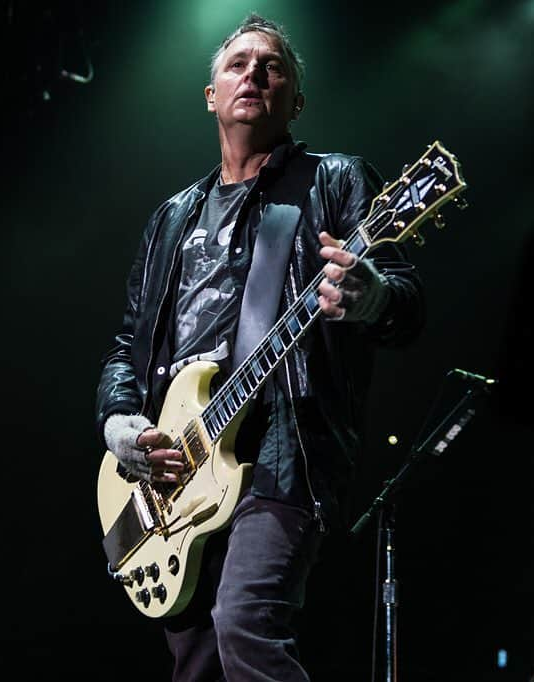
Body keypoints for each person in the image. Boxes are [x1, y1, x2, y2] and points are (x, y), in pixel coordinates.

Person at [94, 13, 425, 681]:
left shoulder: (334, 182)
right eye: (238, 63)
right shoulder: (171, 218)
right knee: (198, 664)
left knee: (246, 619)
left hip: (284, 451)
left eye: (272, 65)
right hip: (178, 470)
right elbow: (127, 345)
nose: (253, 73)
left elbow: (407, 302)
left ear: (295, 101)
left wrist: (373, 297)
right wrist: (121, 425)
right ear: (211, 94)